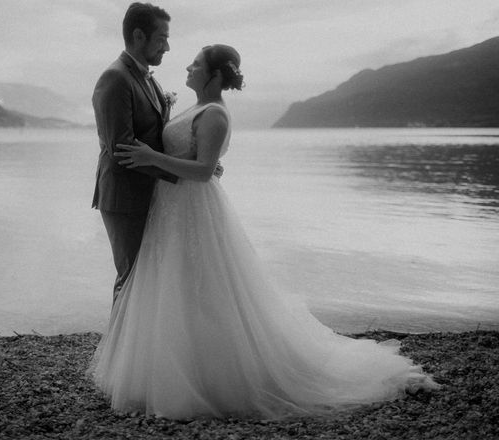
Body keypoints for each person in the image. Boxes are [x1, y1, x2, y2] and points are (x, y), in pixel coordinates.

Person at [89, 44, 439, 420]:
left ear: (216, 75)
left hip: (192, 210)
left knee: (204, 289)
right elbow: (194, 159)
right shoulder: (194, 109)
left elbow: (204, 171)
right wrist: (169, 159)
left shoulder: (214, 115)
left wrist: (151, 158)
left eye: (197, 64)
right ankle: (167, 363)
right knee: (175, 286)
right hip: (172, 208)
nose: (188, 66)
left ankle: (211, 375)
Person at [91, 2, 177, 303]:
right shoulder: (115, 78)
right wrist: (179, 172)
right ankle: (116, 351)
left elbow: (153, 135)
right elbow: (121, 150)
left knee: (145, 277)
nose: (167, 46)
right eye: (162, 37)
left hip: (145, 192)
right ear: (139, 36)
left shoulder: (145, 76)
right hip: (124, 195)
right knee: (131, 278)